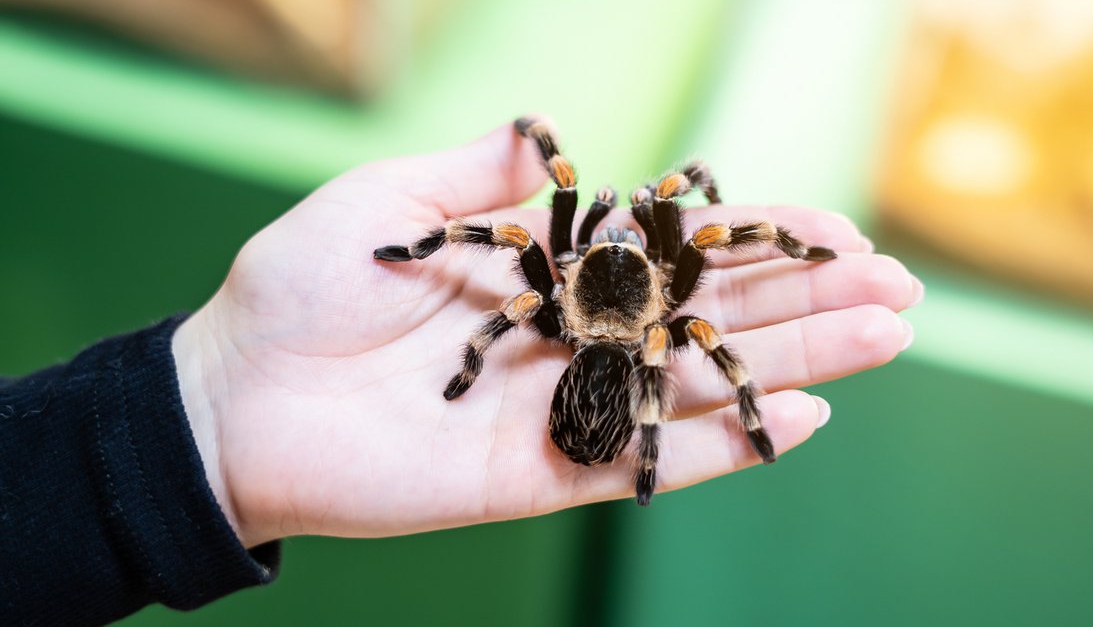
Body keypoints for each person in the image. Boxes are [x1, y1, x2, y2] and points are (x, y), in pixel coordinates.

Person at [0, 119, 921, 624]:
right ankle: (660, 446)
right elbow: (701, 247)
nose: (616, 225)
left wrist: (470, 332)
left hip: (594, 341)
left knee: (530, 236)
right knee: (673, 270)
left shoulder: (548, 294)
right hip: (623, 352)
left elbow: (519, 251)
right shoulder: (667, 309)